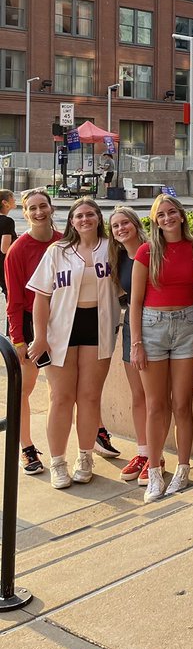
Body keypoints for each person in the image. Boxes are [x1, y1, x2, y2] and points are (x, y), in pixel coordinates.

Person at [27, 198, 119, 489]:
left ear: (98, 218)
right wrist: (39, 337)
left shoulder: (111, 247)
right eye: (78, 215)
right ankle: (57, 462)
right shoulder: (58, 251)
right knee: (61, 398)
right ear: (70, 221)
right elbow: (41, 297)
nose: (84, 219)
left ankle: (85, 456)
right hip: (61, 330)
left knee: (90, 398)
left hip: (99, 327)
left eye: (90, 214)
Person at [130, 194, 193, 502]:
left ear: (182, 216)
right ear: (155, 220)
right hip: (152, 327)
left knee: (182, 404)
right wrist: (136, 343)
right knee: (156, 404)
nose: (168, 218)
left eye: (173, 212)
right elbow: (134, 302)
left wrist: (187, 300)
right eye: (161, 214)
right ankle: (155, 472)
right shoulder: (147, 252)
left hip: (187, 325)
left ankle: (183, 468)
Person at [5, 188, 62, 475]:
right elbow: (13, 301)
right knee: (24, 390)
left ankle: (62, 449)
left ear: (52, 208)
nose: (39, 212)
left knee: (60, 390)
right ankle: (25, 448)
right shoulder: (17, 250)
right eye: (32, 208)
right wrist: (18, 340)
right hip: (27, 323)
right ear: (24, 213)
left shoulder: (63, 242)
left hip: (60, 323)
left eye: (43, 206)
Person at [108, 207, 151, 482]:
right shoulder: (120, 257)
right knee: (138, 395)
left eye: (125, 223)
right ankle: (143, 451)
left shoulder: (151, 250)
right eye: (115, 226)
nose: (121, 228)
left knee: (156, 396)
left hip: (158, 325)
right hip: (131, 329)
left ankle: (156, 453)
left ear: (135, 224)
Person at [0, 187, 17, 299]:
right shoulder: (7, 221)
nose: (15, 201)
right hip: (3, 264)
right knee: (10, 294)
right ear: (5, 203)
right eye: (13, 199)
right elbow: (5, 248)